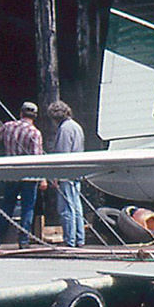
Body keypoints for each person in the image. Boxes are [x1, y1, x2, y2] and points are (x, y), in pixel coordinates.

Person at [0, 101, 45, 248]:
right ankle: (23, 241)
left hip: (12, 173)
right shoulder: (35, 133)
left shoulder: (8, 126)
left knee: (7, 206)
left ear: (21, 113)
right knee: (27, 208)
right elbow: (37, 158)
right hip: (29, 175)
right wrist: (42, 179)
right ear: (35, 116)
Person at [49, 100, 85, 248]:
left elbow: (62, 154)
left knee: (66, 208)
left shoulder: (64, 129)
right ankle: (79, 238)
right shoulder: (77, 127)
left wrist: (56, 175)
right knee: (76, 207)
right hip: (77, 171)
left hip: (67, 173)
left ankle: (69, 240)